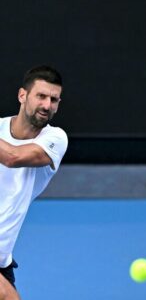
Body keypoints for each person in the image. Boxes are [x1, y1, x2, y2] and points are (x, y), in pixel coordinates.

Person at [0, 65, 68, 299]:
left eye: (54, 99)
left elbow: (12, 157)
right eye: (41, 96)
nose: (47, 105)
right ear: (22, 95)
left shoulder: (55, 139)